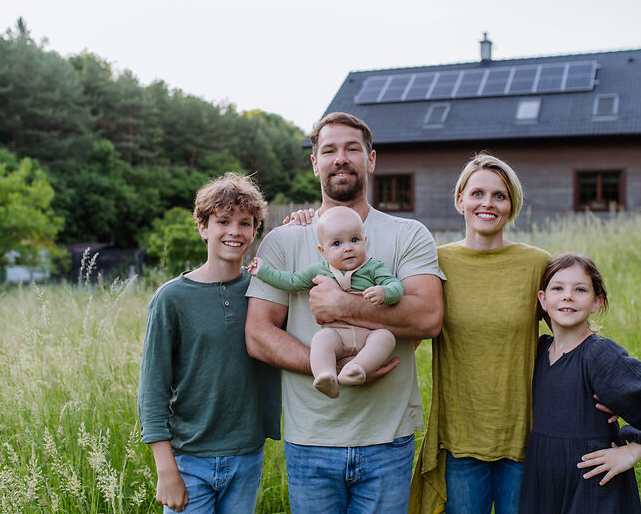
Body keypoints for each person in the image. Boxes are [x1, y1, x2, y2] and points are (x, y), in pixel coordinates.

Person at [245, 112, 444, 513]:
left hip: (387, 439)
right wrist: (332, 369)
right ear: (315, 163)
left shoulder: (409, 234)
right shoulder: (285, 239)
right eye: (329, 150)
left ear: (371, 160)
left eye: (353, 149)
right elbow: (258, 335)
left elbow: (428, 318)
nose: (341, 158)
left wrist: (344, 305)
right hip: (311, 439)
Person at [410, 154, 550, 514]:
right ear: (460, 200)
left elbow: (571, 335)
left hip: (522, 435)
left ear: (511, 206)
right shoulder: (434, 262)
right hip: (459, 436)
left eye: (499, 196)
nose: (487, 204)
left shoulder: (538, 264)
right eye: (477, 193)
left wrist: (604, 388)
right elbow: (404, 326)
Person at [137, 173, 281, 513]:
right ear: (203, 227)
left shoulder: (265, 291)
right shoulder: (171, 298)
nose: (235, 231)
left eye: (245, 223)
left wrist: (303, 225)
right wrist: (165, 468)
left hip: (247, 454)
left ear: (255, 231)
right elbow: (152, 388)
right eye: (223, 221)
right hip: (189, 460)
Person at [518, 253, 641, 513]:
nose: (568, 296)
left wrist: (632, 452)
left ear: (596, 302)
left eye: (580, 289)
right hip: (543, 481)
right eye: (558, 288)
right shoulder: (537, 350)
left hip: (592, 486)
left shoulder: (598, 354)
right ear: (543, 300)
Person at [248, 205, 403, 398]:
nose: (347, 248)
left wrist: (384, 292)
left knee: (385, 338)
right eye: (337, 244)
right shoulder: (319, 270)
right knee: (321, 340)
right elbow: (291, 281)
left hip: (368, 332)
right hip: (337, 334)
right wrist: (262, 271)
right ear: (323, 251)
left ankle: (357, 369)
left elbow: (396, 287)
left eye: (355, 240)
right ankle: (325, 375)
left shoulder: (374, 267)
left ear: (365, 241)